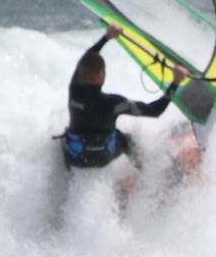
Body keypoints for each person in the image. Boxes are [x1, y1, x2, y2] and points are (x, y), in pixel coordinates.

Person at [60, 31, 174, 169]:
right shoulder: (114, 103)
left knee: (63, 141)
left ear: (80, 73)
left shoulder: (74, 91)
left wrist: (106, 37)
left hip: (76, 157)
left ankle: (66, 177)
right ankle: (146, 175)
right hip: (103, 157)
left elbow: (84, 60)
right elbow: (155, 111)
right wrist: (176, 83)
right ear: (101, 75)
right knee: (127, 140)